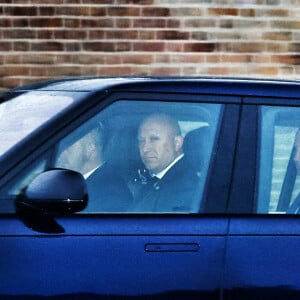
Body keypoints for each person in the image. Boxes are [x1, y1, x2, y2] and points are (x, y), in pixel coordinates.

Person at [130, 113, 201, 213]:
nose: (145, 148)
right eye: (141, 141)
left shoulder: (184, 187)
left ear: (177, 143)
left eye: (154, 139)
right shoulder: (159, 180)